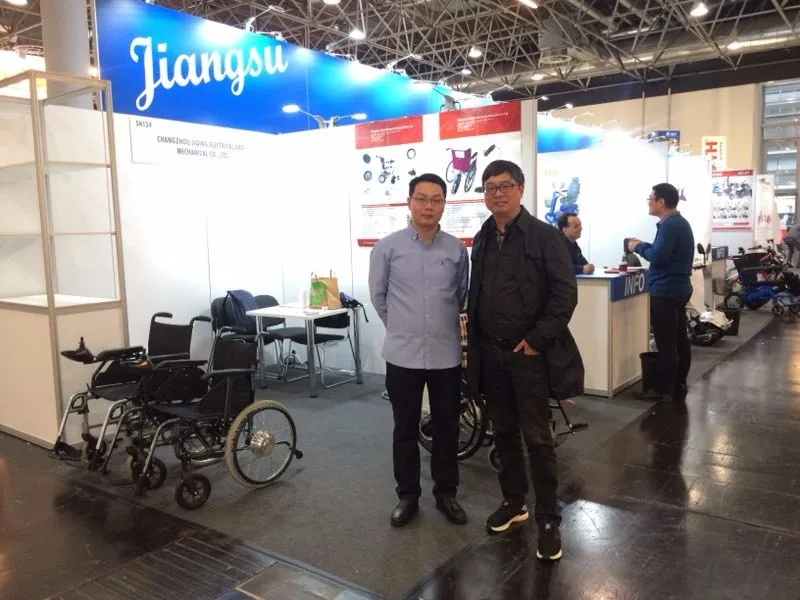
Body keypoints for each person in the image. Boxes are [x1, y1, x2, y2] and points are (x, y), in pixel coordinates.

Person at [466, 160, 583, 561]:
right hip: (491, 354)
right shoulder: (483, 237)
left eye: (505, 186)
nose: (497, 193)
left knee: (538, 438)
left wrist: (537, 339)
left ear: (520, 188)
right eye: (490, 187)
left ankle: (548, 519)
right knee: (503, 433)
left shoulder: (544, 236)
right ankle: (514, 502)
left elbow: (565, 293)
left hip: (528, 356)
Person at [369, 173, 469, 528]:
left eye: (436, 199)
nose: (429, 206)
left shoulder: (456, 250)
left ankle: (446, 493)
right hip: (403, 355)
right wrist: (401, 327)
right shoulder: (387, 248)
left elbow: (461, 295)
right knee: (405, 429)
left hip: (445, 354)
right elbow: (379, 297)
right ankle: (407, 496)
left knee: (447, 428)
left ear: (444, 204)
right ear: (409, 201)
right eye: (422, 198)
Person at [627, 182, 695, 401]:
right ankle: (678, 383)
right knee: (679, 339)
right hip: (678, 289)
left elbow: (658, 256)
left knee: (667, 343)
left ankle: (663, 389)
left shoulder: (670, 225)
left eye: (651, 199)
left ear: (661, 201)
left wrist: (637, 247)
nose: (649, 203)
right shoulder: (678, 223)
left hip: (666, 291)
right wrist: (645, 245)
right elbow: (662, 251)